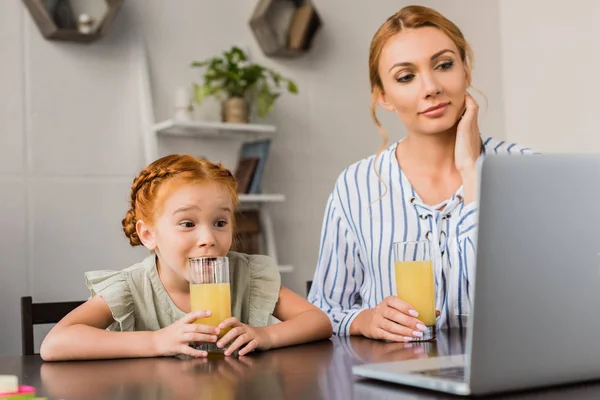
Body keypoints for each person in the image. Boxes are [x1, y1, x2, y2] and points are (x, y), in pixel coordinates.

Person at [308, 5, 536, 341]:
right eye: (406, 76)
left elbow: (542, 298)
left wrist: (471, 171)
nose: (430, 87)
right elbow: (324, 308)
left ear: (466, 70)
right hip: (397, 383)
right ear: (383, 96)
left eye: (444, 65)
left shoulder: (526, 171)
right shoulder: (355, 186)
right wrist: (364, 320)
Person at [41, 154, 332, 361]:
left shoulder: (247, 274)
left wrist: (267, 336)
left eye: (220, 223)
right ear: (148, 234)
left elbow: (317, 321)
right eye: (188, 224)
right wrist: (155, 341)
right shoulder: (132, 288)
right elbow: (55, 344)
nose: (208, 238)